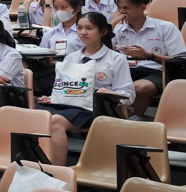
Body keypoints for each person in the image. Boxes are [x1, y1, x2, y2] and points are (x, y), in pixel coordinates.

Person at [38, 11, 134, 157]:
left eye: (89, 28)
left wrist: (112, 94)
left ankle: (56, 169)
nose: (83, 32)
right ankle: (36, 164)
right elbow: (62, 87)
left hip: (95, 108)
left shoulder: (116, 59)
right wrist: (51, 98)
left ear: (103, 32)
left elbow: (129, 94)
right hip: (68, 103)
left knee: (55, 121)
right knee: (36, 116)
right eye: (79, 28)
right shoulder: (71, 58)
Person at [111, 0, 186, 114]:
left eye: (126, 8)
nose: (122, 12)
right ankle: (129, 118)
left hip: (155, 71)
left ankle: (136, 116)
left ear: (142, 7)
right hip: (125, 71)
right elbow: (102, 51)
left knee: (138, 88)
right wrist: (112, 24)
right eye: (119, 8)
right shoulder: (117, 29)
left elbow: (181, 61)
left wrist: (148, 56)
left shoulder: (165, 27)